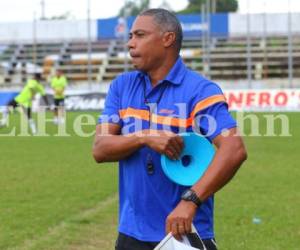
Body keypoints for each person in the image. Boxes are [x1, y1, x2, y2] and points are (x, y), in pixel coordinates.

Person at [93, 9, 247, 250]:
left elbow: (234, 148)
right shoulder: (121, 86)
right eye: (131, 36)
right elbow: (100, 149)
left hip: (184, 230)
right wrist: (144, 137)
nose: (130, 43)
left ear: (167, 39)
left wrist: (191, 201)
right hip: (131, 233)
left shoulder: (201, 91)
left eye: (140, 35)